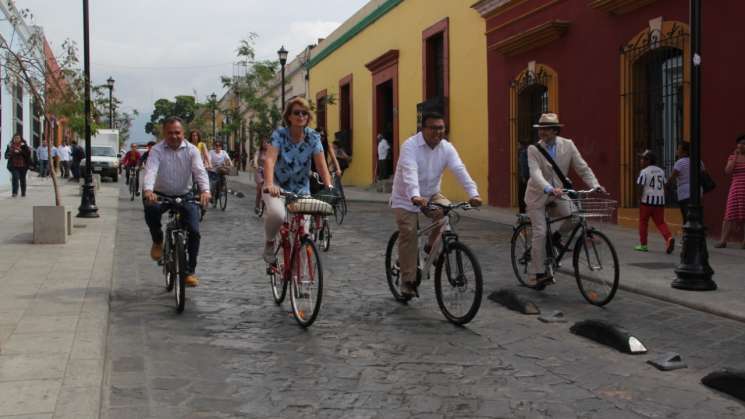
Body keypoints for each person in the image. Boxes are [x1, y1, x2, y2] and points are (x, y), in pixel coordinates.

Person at [390, 112, 482, 298]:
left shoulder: (446, 148)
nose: (438, 132)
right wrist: (415, 195)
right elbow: (410, 173)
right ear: (422, 129)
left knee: (448, 212)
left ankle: (430, 246)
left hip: (431, 193)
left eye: (441, 128)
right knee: (408, 232)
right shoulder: (410, 146)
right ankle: (408, 282)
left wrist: (474, 194)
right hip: (406, 196)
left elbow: (459, 169)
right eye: (433, 128)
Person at [525, 113, 604, 287]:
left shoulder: (568, 145)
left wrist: (595, 185)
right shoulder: (533, 150)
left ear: (555, 130)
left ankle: (556, 238)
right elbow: (535, 173)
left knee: (575, 215)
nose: (542, 132)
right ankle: (539, 273)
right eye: (540, 129)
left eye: (546, 129)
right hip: (538, 195)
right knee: (539, 232)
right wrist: (548, 188)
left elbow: (582, 167)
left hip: (559, 193)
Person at [262, 97, 333, 264]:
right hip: (277, 186)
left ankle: (301, 281)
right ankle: (269, 242)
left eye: (304, 113)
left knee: (303, 234)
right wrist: (270, 184)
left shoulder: (313, 137)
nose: (301, 116)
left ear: (308, 117)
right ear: (289, 116)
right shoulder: (279, 135)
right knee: (278, 215)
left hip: (301, 189)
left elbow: (321, 165)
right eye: (296, 113)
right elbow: (270, 160)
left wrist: (329, 186)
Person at [143, 117, 210, 287]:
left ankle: (189, 271)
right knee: (150, 208)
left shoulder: (192, 150)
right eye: (170, 133)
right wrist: (148, 190)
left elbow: (200, 172)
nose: (174, 136)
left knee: (194, 231)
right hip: (160, 194)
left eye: (177, 132)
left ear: (183, 133)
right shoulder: (157, 150)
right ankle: (158, 240)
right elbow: (151, 170)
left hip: (185, 194)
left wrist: (205, 191)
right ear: (164, 133)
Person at [634, 150, 675, 253]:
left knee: (643, 222)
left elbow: (640, 185)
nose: (641, 161)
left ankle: (643, 245)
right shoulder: (661, 171)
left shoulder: (644, 172)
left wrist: (639, 198)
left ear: (648, 160)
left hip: (646, 202)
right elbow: (665, 184)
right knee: (660, 223)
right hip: (659, 202)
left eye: (642, 159)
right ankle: (669, 238)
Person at [714, 134, 745, 248]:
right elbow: (728, 171)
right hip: (736, 188)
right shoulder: (732, 157)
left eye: (744, 143)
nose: (742, 145)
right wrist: (735, 157)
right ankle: (723, 240)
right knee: (729, 214)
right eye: (740, 143)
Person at [669, 142, 705, 225]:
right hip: (697, 192)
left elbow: (672, 177)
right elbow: (704, 174)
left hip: (684, 193)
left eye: (678, 149)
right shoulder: (698, 161)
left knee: (687, 216)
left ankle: (688, 235)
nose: (677, 151)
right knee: (697, 214)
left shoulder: (680, 162)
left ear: (684, 152)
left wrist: (667, 185)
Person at [252, 139, 268, 214]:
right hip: (259, 171)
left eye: (267, 143)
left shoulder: (271, 152)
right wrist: (255, 164)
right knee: (260, 187)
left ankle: (267, 203)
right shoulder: (259, 152)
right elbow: (255, 158)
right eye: (264, 142)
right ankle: (257, 205)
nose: (266, 144)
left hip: (267, 172)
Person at [517, 138, 531, 214]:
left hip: (525, 177)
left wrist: (523, 176)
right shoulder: (528, 151)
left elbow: (524, 166)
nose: (517, 146)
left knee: (522, 195)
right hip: (529, 177)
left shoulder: (523, 152)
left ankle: (522, 212)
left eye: (518, 144)